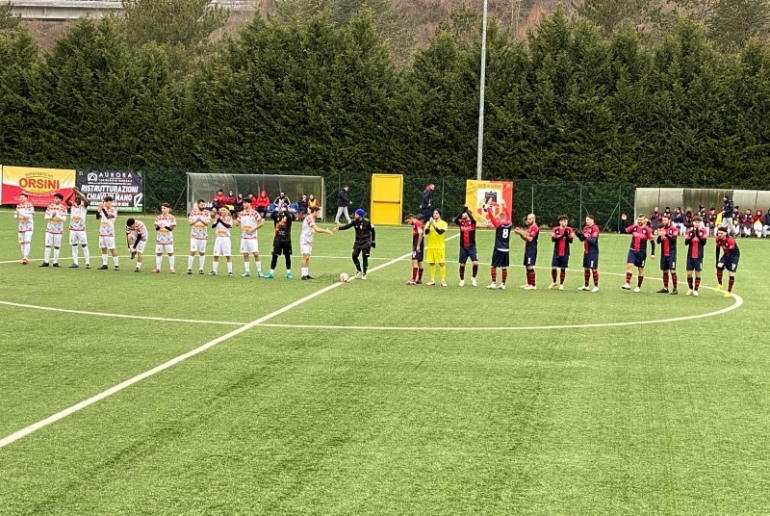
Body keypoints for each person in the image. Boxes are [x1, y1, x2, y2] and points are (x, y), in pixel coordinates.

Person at [337, 208, 376, 280]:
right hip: (358, 242)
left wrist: (373, 241)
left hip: (366, 242)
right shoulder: (354, 222)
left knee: (365, 256)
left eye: (356, 214)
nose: (355, 215)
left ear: (360, 215)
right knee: (354, 256)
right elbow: (347, 226)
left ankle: (364, 273)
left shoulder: (367, 222)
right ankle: (359, 271)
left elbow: (373, 231)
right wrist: (339, 228)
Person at [620, 213, 655, 292]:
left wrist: (652, 253)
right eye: (638, 220)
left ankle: (638, 286)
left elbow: (652, 242)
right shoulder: (634, 227)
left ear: (644, 220)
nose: (639, 221)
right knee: (629, 266)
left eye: (641, 220)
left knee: (640, 269)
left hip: (641, 253)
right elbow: (623, 231)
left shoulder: (647, 230)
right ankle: (627, 283)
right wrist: (623, 221)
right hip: (632, 250)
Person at [299, 206, 333, 280]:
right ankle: (303, 275)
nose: (319, 214)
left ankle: (306, 274)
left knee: (308, 257)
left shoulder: (313, 218)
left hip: (310, 240)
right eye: (318, 212)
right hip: (304, 239)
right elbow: (316, 229)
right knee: (305, 256)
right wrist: (326, 231)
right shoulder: (309, 218)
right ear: (314, 212)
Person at [235, 201, 264, 277]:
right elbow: (237, 223)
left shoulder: (254, 213)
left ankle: (259, 271)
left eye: (245, 203)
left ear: (250, 204)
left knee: (255, 254)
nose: (244, 204)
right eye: (243, 203)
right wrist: (236, 222)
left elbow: (261, 223)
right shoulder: (241, 213)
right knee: (245, 254)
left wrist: (252, 230)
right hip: (244, 237)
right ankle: (247, 271)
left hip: (252, 237)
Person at [487, 207, 513, 290]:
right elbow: (509, 216)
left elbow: (491, 217)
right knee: (504, 266)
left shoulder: (498, 224)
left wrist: (488, 207)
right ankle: (503, 284)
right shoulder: (509, 224)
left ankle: (493, 283)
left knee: (493, 266)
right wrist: (505, 206)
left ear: (500, 218)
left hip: (498, 248)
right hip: (506, 249)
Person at [39, 193, 68, 268]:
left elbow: (64, 219)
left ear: (61, 200)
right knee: (47, 245)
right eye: (54, 198)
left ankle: (55, 262)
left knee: (57, 246)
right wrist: (51, 216)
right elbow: (45, 217)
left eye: (57, 198)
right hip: (49, 229)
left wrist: (57, 216)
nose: (55, 199)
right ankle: (46, 261)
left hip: (58, 230)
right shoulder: (50, 207)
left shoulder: (63, 208)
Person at [64, 187, 90, 269]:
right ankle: (75, 262)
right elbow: (66, 201)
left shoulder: (84, 205)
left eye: (79, 198)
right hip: (72, 229)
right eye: (76, 198)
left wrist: (78, 192)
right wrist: (73, 192)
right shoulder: (73, 204)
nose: (77, 199)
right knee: (74, 245)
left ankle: (87, 262)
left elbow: (86, 201)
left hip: (81, 230)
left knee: (84, 245)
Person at [266, 205, 294, 279]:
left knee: (287, 256)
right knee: (274, 255)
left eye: (282, 209)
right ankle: (271, 272)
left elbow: (291, 217)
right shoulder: (277, 216)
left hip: (286, 240)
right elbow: (271, 215)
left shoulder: (288, 217)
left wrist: (285, 210)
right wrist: (276, 209)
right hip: (277, 239)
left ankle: (288, 273)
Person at [453, 205, 478, 287]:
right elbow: (455, 219)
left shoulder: (473, 223)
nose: (462, 215)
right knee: (462, 264)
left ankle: (473, 278)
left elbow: (473, 219)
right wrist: (464, 209)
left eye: (464, 213)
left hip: (471, 247)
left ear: (468, 214)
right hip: (463, 247)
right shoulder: (461, 223)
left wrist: (467, 211)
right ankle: (462, 280)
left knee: (475, 263)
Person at [684, 216, 708, 297]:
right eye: (695, 222)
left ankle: (696, 290)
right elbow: (686, 243)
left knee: (698, 273)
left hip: (699, 256)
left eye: (698, 222)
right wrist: (691, 237)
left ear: (700, 223)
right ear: (693, 222)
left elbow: (703, 242)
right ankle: (690, 288)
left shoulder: (703, 231)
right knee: (689, 273)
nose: (697, 223)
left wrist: (697, 234)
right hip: (690, 255)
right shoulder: (689, 231)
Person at [423, 208, 448, 287]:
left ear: (440, 214)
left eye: (436, 213)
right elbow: (426, 232)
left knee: (441, 263)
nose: (434, 214)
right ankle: (432, 280)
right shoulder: (428, 223)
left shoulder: (443, 223)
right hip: (431, 247)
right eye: (434, 213)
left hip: (440, 247)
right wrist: (430, 224)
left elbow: (440, 232)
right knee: (431, 263)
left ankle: (443, 280)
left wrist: (433, 225)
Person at [514, 213, 539, 290]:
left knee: (530, 266)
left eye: (530, 219)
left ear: (534, 219)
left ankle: (533, 285)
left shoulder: (535, 227)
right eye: (527, 219)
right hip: (527, 249)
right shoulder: (530, 227)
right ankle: (529, 283)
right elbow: (525, 238)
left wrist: (521, 232)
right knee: (527, 266)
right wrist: (520, 233)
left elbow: (530, 239)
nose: (528, 221)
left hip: (532, 250)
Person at [656, 214, 679, 295]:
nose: (664, 221)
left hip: (672, 253)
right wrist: (659, 236)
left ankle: (675, 288)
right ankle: (665, 288)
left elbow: (673, 240)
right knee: (665, 271)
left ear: (669, 220)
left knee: (672, 270)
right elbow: (658, 242)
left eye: (665, 220)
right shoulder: (661, 229)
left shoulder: (674, 229)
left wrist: (665, 234)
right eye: (663, 220)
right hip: (664, 253)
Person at [549, 215, 574, 290]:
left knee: (563, 268)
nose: (565, 222)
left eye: (566, 221)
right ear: (560, 222)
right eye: (563, 221)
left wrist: (568, 236)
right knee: (553, 267)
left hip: (565, 252)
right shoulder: (555, 229)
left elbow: (571, 241)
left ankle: (561, 284)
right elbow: (553, 239)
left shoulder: (569, 229)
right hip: (556, 252)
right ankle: (554, 282)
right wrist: (563, 235)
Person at [576, 214, 600, 292]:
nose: (586, 221)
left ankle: (596, 286)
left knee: (593, 269)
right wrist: (579, 236)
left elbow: (593, 241)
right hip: (586, 252)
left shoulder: (595, 228)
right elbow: (582, 240)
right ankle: (586, 286)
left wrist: (584, 236)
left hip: (593, 252)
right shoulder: (585, 228)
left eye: (587, 220)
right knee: (586, 268)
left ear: (592, 220)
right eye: (586, 220)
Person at [187, 199, 211, 275]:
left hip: (203, 236)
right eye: (201, 205)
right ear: (198, 204)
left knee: (202, 252)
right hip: (194, 235)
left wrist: (201, 220)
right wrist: (196, 220)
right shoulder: (193, 212)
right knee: (193, 251)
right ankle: (189, 268)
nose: (203, 206)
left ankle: (201, 268)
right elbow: (190, 223)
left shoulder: (207, 212)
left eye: (204, 205)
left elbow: (207, 224)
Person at [715, 226, 740, 297]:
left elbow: (731, 253)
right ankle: (720, 284)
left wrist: (726, 265)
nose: (719, 235)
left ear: (725, 233)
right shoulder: (717, 239)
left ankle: (729, 291)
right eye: (718, 233)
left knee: (731, 272)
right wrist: (717, 260)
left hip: (734, 256)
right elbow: (717, 249)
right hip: (726, 254)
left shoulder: (730, 240)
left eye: (721, 233)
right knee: (719, 266)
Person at [96, 195, 120, 271]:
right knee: (103, 248)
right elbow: (97, 217)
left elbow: (108, 216)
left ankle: (116, 265)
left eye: (106, 201)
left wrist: (102, 209)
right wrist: (98, 210)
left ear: (110, 202)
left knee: (112, 248)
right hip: (102, 232)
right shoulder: (104, 209)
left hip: (109, 233)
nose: (105, 203)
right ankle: (105, 264)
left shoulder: (114, 210)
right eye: (104, 201)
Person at [153, 203, 177, 273]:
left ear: (168, 209)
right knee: (158, 253)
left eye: (164, 208)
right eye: (162, 208)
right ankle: (158, 268)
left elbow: (171, 228)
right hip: (159, 238)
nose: (162, 210)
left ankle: (172, 268)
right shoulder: (158, 217)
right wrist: (158, 226)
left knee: (170, 253)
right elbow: (156, 228)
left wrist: (164, 226)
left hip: (168, 238)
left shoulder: (172, 217)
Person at [210, 207, 234, 276]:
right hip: (218, 238)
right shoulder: (218, 218)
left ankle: (230, 271)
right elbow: (213, 226)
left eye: (224, 210)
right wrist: (217, 220)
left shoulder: (229, 218)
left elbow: (228, 226)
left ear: (227, 211)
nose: (222, 211)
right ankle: (214, 270)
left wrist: (220, 220)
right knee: (216, 255)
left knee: (228, 255)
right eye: (221, 210)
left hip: (226, 238)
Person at [14, 193, 34, 265]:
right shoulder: (18, 206)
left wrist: (20, 213)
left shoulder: (30, 206)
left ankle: (25, 257)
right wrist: (17, 214)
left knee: (27, 241)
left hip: (28, 226)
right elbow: (15, 217)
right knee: (22, 242)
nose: (21, 199)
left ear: (26, 198)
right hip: (21, 226)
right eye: (20, 198)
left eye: (22, 197)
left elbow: (30, 217)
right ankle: (24, 258)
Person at [405, 214, 424, 285]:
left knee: (414, 262)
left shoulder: (417, 223)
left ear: (411, 218)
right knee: (419, 262)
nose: (408, 223)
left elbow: (420, 234)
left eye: (408, 221)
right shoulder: (416, 224)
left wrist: (418, 245)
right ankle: (419, 279)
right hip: (417, 245)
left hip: (417, 245)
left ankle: (413, 279)